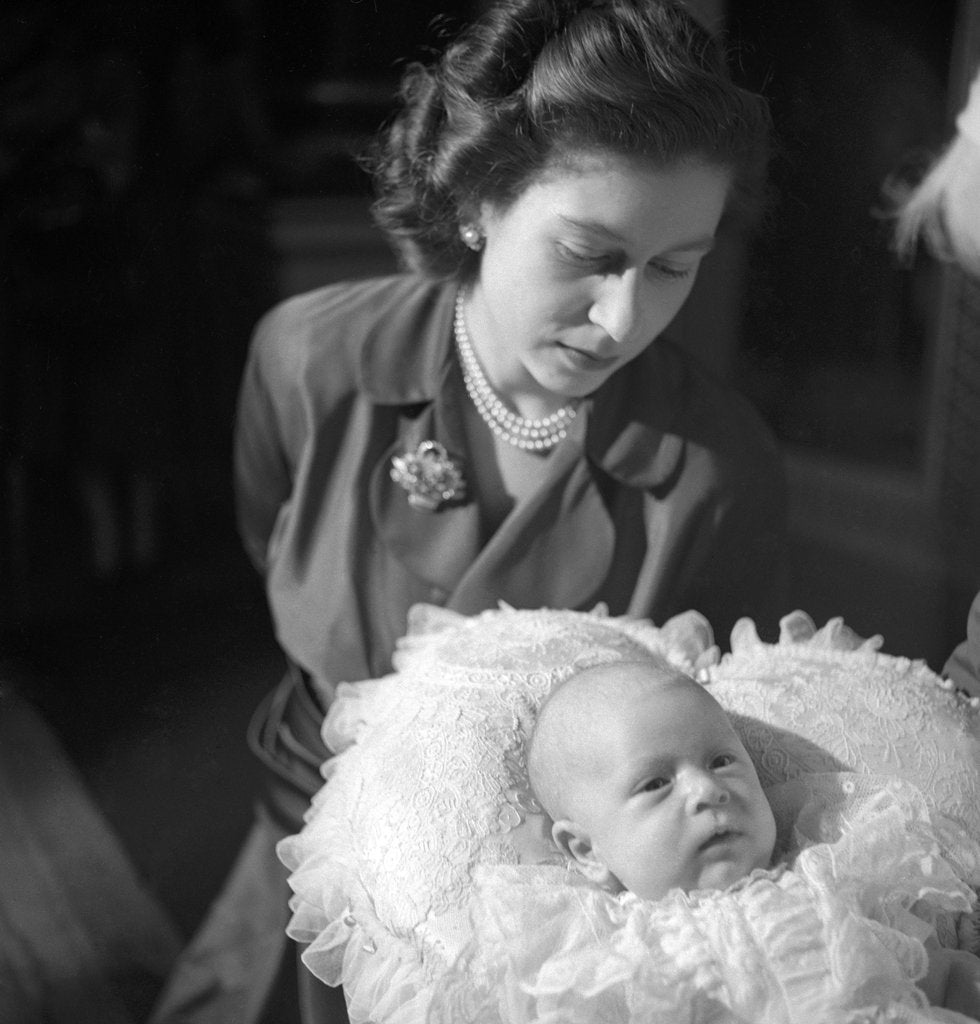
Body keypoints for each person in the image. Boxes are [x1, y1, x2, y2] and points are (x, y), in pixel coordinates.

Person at [150, 1, 786, 1020]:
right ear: (478, 203)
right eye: (587, 253)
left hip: (549, 933)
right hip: (299, 838)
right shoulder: (306, 361)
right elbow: (267, 527)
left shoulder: (721, 469)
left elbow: (717, 744)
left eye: (673, 266)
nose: (622, 318)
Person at [480, 657, 980, 1021]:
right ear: (588, 851)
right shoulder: (606, 954)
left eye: (721, 761)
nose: (707, 790)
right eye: (656, 784)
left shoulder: (831, 876)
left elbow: (938, 976)